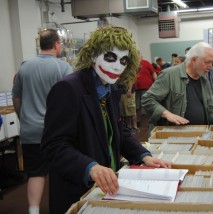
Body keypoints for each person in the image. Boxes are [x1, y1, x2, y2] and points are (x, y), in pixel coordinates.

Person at [40, 25, 170, 214]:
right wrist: (90, 167)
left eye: (123, 60)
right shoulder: (68, 89)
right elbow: (53, 145)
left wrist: (143, 155)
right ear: (93, 55)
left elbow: (119, 130)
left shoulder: (111, 88)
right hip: (77, 190)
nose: (117, 66)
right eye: (110, 57)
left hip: (107, 189)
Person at [11, 29, 73, 214]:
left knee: (36, 173)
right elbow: (70, 100)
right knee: (61, 172)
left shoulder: (24, 67)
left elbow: (16, 98)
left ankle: (34, 210)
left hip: (30, 131)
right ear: (56, 44)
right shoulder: (63, 68)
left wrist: (24, 117)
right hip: (56, 131)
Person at [141, 42, 213, 133]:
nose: (210, 66)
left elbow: (210, 109)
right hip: (174, 136)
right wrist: (167, 114)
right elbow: (147, 99)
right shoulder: (169, 75)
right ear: (194, 59)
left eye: (212, 63)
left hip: (200, 135)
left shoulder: (204, 79)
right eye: (207, 62)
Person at [134, 52, 157, 128]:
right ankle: (138, 121)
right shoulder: (133, 64)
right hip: (136, 88)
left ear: (140, 55)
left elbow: (154, 73)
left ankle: (149, 122)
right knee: (137, 106)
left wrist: (156, 84)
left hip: (146, 86)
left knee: (146, 105)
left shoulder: (146, 63)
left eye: (137, 55)